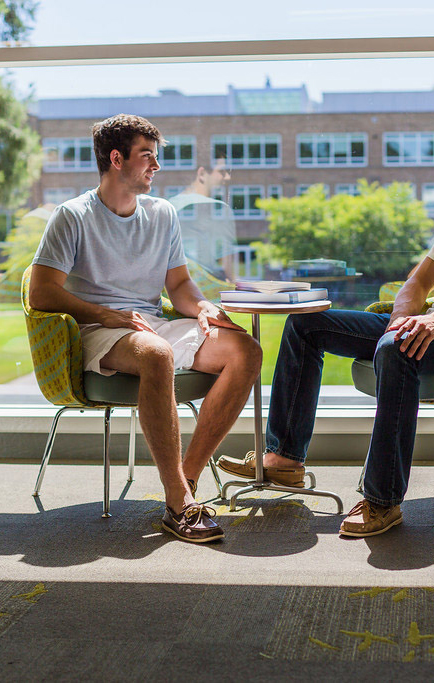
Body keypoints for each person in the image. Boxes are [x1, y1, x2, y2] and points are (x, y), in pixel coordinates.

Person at [217, 117, 434, 537]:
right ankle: (285, 459)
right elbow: (417, 282)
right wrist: (401, 319)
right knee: (307, 324)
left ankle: (383, 501)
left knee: (395, 349)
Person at [29, 114, 262, 544]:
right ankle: (180, 502)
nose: (156, 166)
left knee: (245, 351)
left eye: (156, 157)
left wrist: (203, 306)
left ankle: (182, 487)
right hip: (96, 330)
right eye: (147, 157)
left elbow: (179, 284)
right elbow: (41, 293)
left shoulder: (162, 213)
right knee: (157, 353)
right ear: (116, 159)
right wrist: (102, 314)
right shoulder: (72, 216)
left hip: (149, 323)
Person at [168, 152, 237, 282]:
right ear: (202, 174)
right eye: (222, 172)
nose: (227, 177)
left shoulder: (171, 205)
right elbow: (229, 270)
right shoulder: (220, 208)